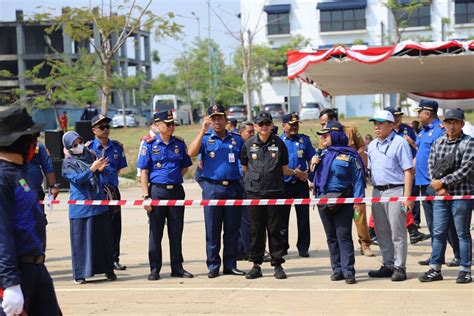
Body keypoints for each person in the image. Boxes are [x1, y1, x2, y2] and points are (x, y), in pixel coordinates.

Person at [0, 107, 62, 315]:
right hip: (16, 272)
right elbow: (2, 233)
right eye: (33, 139)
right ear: (20, 141)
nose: (36, 146)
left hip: (36, 266)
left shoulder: (21, 174)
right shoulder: (2, 179)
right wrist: (10, 284)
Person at [240, 112, 305, 280]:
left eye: (267, 123)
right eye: (260, 123)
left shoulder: (279, 143)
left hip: (275, 192)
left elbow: (284, 169)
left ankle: (277, 264)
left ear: (271, 125)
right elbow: (245, 168)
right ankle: (256, 265)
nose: (264, 126)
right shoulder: (248, 144)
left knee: (275, 229)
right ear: (255, 126)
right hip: (255, 193)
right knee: (256, 230)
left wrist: (296, 173)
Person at [188, 105, 246, 278]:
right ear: (209, 120)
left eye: (219, 118)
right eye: (213, 118)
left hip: (234, 187)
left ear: (226, 120)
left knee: (232, 229)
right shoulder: (205, 139)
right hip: (213, 187)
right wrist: (201, 131)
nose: (217, 121)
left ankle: (230, 265)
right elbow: (191, 152)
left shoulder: (236, 139)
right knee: (212, 229)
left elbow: (245, 160)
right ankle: (213, 265)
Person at [138, 110, 194, 281]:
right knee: (156, 231)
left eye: (172, 124)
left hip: (176, 191)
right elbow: (144, 172)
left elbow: (185, 166)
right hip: (157, 192)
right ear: (157, 125)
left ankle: (177, 267)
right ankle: (155, 268)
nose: (171, 127)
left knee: (176, 231)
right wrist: (146, 196)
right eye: (167, 124)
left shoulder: (179, 143)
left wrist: (173, 178)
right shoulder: (149, 144)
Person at [419, 108, 473, 284]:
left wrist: (443, 183)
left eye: (455, 122)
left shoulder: (469, 143)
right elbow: (431, 165)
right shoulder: (438, 142)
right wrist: (439, 187)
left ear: (462, 124)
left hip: (461, 196)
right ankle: (435, 268)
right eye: (448, 122)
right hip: (441, 196)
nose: (451, 125)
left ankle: (465, 269)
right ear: (444, 124)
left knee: (462, 233)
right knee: (438, 232)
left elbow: (465, 170)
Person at [313, 120, 366, 284]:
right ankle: (337, 270)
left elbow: (358, 179)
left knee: (343, 236)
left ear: (335, 134)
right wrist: (312, 165)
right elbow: (313, 179)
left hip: (343, 200)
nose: (323, 138)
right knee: (331, 237)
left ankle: (348, 271)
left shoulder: (350, 155)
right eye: (322, 135)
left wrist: (358, 201)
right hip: (323, 200)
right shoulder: (321, 154)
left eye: (326, 135)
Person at [368, 107, 429, 244]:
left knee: (400, 223)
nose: (398, 119)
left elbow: (417, 149)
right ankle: (374, 232)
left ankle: (411, 232)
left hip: (402, 180)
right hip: (381, 187)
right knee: (383, 223)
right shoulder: (373, 144)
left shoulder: (405, 133)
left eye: (399, 116)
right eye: (396, 116)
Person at [62, 131, 116, 284]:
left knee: (104, 240)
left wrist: (101, 170)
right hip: (81, 207)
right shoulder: (68, 163)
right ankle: (80, 274)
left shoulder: (91, 154)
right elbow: (77, 179)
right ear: (68, 147)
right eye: (74, 144)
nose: (78, 146)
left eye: (79, 141)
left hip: (99, 204)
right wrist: (92, 169)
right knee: (81, 243)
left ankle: (108, 269)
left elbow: (103, 174)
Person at [318, 109, 373, 257]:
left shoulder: (351, 130)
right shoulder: (324, 135)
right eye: (321, 124)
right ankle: (338, 267)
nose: (323, 128)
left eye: (325, 123)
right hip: (331, 189)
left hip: (351, 181)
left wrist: (353, 158)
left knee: (359, 215)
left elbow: (362, 147)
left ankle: (364, 244)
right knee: (337, 233)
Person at [367, 110, 414, 282]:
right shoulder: (372, 145)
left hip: (395, 190)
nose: (377, 127)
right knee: (381, 231)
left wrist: (407, 196)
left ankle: (400, 266)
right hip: (377, 191)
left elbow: (408, 171)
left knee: (397, 231)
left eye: (380, 123)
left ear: (391, 125)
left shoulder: (400, 143)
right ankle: (388, 264)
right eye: (375, 123)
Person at [414, 100, 459, 266]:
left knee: (446, 224)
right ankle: (436, 256)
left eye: (420, 112)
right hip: (423, 184)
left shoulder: (440, 131)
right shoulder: (423, 132)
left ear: (428, 113)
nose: (418, 115)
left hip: (436, 184)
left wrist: (442, 184)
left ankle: (459, 254)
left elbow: (447, 158)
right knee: (433, 225)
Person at [86, 114, 128, 271]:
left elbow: (119, 167)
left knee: (115, 226)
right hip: (96, 192)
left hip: (113, 190)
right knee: (97, 226)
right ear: (94, 130)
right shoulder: (88, 148)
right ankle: (98, 260)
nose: (105, 130)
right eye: (102, 127)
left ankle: (114, 258)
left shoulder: (116, 147)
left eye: (107, 127)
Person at [280, 113, 315, 257]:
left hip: (301, 184)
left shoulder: (304, 140)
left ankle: (303, 247)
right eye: (291, 124)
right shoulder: (278, 141)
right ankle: (282, 247)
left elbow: (311, 157)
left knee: (303, 217)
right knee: (281, 218)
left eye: (296, 124)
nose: (294, 127)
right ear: (283, 125)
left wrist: (311, 177)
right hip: (283, 184)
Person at [236, 121, 255, 260]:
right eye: (249, 132)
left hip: (252, 185)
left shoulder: (253, 147)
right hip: (240, 185)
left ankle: (243, 250)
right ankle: (249, 251)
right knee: (246, 220)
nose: (252, 135)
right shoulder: (237, 147)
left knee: (247, 221)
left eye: (253, 132)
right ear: (240, 133)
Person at [26, 134, 60, 208]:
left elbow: (48, 166)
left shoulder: (39, 147)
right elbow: (18, 177)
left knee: (39, 217)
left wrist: (52, 186)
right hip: (20, 191)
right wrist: (26, 189)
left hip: (36, 191)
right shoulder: (13, 148)